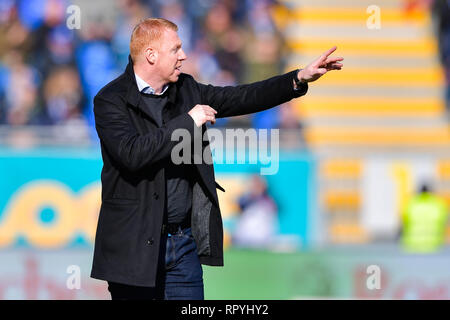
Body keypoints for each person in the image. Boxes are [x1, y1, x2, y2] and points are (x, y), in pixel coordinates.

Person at [90, 18, 343, 300]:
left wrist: (296, 79)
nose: (183, 56)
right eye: (175, 49)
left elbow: (242, 97)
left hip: (183, 247)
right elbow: (132, 154)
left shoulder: (187, 89)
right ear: (151, 55)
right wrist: (188, 122)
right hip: (133, 249)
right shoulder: (110, 99)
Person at [401, 183, 449, 253]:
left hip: (412, 246)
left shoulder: (411, 204)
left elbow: (403, 223)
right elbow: (445, 222)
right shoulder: (438, 205)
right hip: (434, 246)